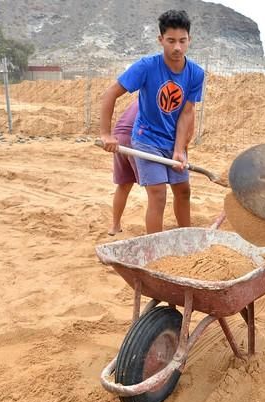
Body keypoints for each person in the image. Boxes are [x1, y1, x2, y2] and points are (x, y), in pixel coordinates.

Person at [99, 9, 204, 234]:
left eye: (182, 41)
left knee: (183, 190)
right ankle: (154, 252)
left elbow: (187, 113)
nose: (177, 47)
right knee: (158, 195)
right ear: (160, 40)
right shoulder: (147, 66)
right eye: (171, 41)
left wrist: (179, 150)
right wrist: (106, 134)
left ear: (189, 40)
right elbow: (110, 94)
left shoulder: (196, 73)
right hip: (146, 138)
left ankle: (188, 239)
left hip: (172, 141)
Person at [108, 100, 139, 235]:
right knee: (155, 187)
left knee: (124, 184)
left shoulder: (138, 99)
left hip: (119, 136)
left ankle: (115, 226)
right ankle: (154, 230)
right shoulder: (159, 97)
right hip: (136, 136)